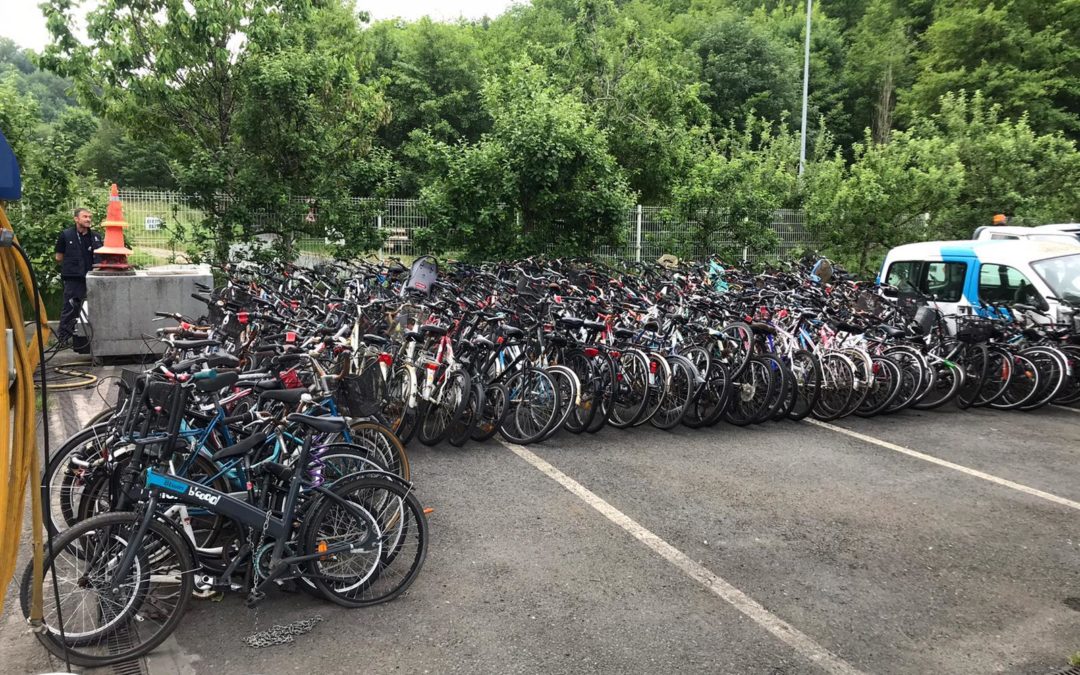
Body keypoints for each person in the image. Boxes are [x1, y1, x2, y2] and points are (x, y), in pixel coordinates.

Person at [54, 207, 103, 344]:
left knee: (98, 306)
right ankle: (63, 338)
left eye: (89, 217)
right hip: (74, 278)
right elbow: (59, 256)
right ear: (76, 219)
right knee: (71, 307)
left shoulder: (96, 236)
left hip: (94, 277)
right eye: (85, 217)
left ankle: (96, 337)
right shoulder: (66, 235)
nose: (88, 219)